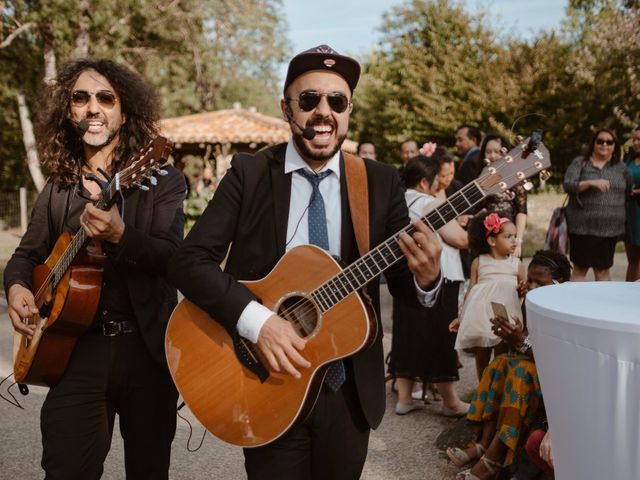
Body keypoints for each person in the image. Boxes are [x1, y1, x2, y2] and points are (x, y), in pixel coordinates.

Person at [166, 45, 442, 480]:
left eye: (337, 101)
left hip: (348, 387)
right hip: (264, 378)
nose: (324, 112)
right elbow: (188, 261)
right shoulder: (250, 173)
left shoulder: (380, 181)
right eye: (309, 99)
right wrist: (258, 322)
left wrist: (427, 279)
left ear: (349, 110)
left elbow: (403, 288)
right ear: (286, 108)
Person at [3, 59, 186, 479]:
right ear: (69, 111)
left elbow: (173, 260)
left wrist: (122, 235)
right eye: (80, 98)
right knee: (65, 468)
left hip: (145, 349)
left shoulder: (161, 179)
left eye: (106, 98)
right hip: (73, 349)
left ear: (125, 111)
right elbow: (25, 256)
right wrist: (16, 289)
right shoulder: (58, 187)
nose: (93, 108)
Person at [447, 250, 571, 480]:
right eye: (529, 280)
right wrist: (510, 335)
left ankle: (494, 459)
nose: (531, 286)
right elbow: (525, 343)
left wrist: (519, 340)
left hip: (557, 379)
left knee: (520, 373)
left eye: (539, 282)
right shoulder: (533, 302)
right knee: (500, 364)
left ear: (559, 283)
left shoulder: (567, 311)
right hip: (536, 366)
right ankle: (483, 443)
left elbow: (557, 359)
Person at [388, 155, 469, 417]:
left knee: (406, 334)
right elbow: (458, 238)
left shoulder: (396, 203)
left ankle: (404, 398)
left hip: (404, 276)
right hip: (438, 276)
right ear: (425, 181)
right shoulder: (429, 203)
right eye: (437, 180)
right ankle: (450, 401)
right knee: (441, 336)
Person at [450, 212, 524, 380]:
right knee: (482, 352)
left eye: (515, 236)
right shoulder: (479, 262)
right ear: (492, 241)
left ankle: (499, 387)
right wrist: (461, 317)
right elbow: (470, 291)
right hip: (481, 315)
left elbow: (524, 288)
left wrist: (522, 290)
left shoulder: (516, 264)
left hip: (505, 314)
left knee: (501, 350)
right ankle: (483, 386)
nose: (514, 241)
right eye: (508, 237)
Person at [563, 128, 632, 281]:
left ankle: (604, 305)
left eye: (609, 142)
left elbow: (628, 191)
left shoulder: (621, 167)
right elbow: (568, 185)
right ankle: (574, 305)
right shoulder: (580, 162)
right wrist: (590, 183)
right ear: (593, 143)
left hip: (609, 230)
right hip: (582, 228)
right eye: (600, 141)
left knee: (603, 272)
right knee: (579, 271)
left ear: (615, 146)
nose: (604, 144)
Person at [479, 134, 527, 258]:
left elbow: (522, 211)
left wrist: (518, 241)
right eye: (488, 152)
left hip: (508, 239)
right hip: (486, 240)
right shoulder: (480, 177)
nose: (492, 156)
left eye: (497, 151)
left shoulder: (514, 177)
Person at [625, 126, 640, 281]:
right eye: (634, 139)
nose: (635, 143)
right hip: (630, 213)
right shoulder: (629, 159)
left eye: (639, 139)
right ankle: (628, 295)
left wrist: (636, 192)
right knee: (633, 260)